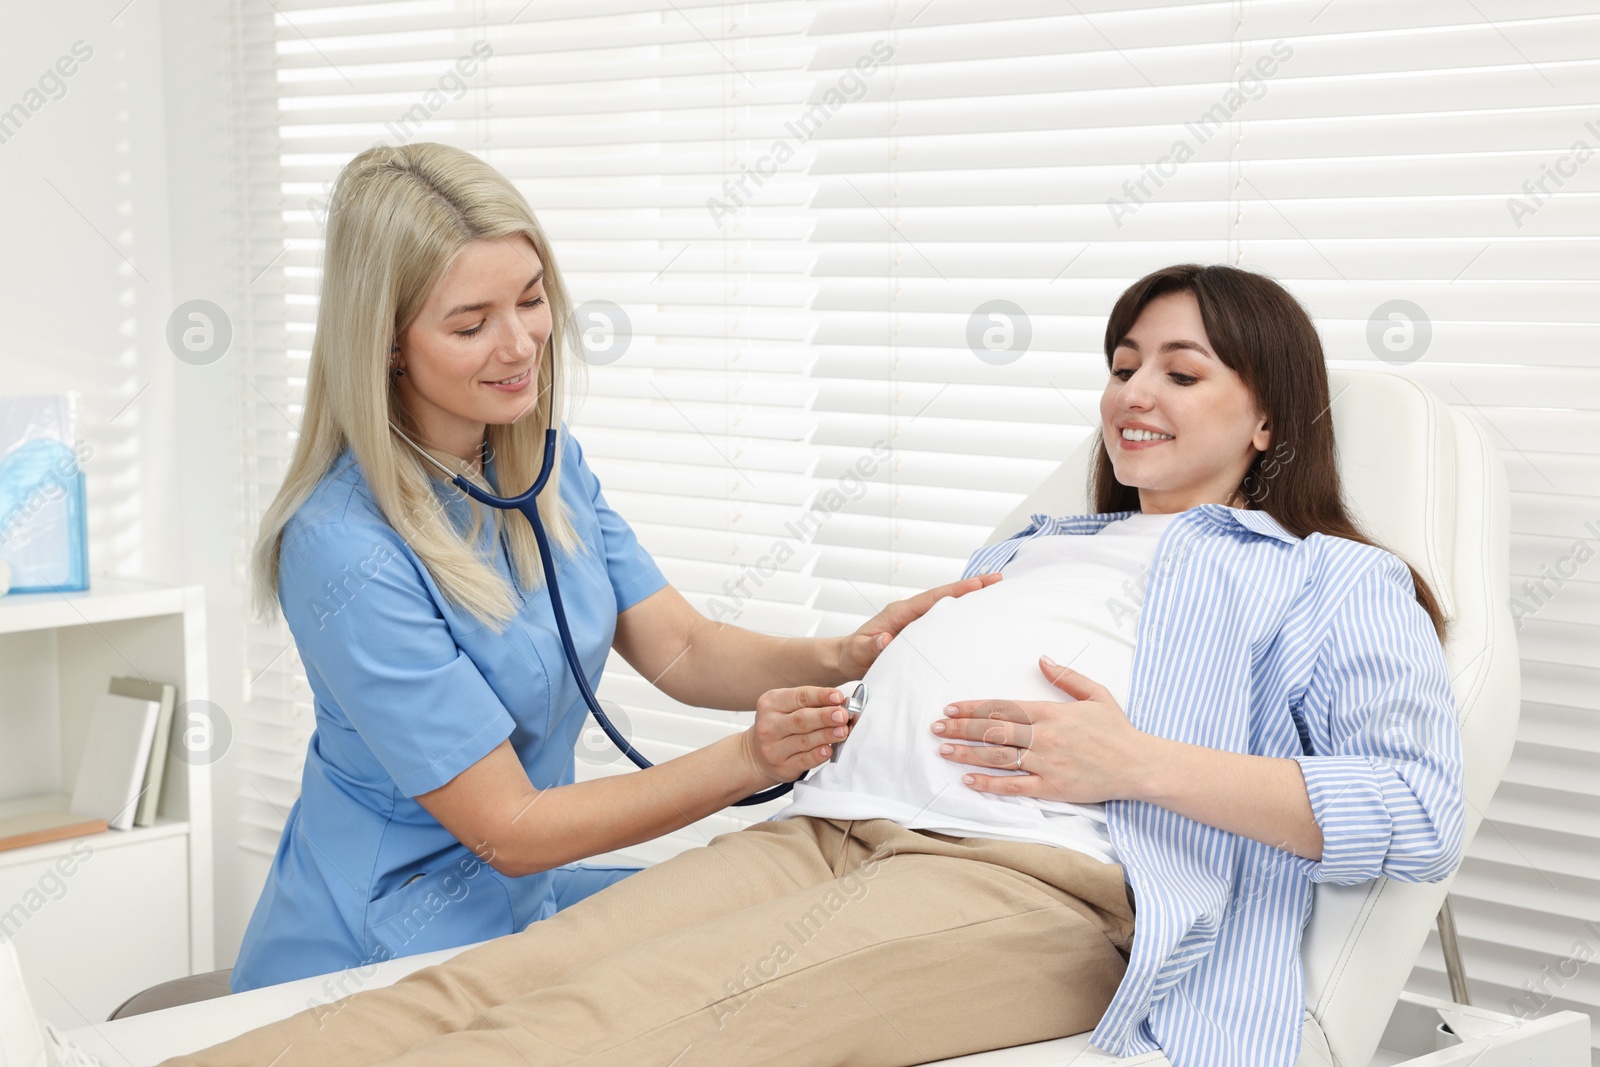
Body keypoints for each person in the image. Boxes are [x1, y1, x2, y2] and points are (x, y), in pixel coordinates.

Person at [3, 263, 1459, 1067]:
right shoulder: (1043, 541)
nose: (1134, 389)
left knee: (597, 1036)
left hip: (1033, 878)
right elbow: (703, 653)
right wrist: (856, 667)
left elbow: (1412, 807)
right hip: (819, 831)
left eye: (1182, 370)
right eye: (1124, 359)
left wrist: (1134, 761)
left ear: (1272, 417)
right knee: (487, 987)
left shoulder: (1333, 578)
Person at [227, 142, 999, 992]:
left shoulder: (543, 470)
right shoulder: (342, 546)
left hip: (524, 901)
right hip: (378, 943)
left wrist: (847, 654)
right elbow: (511, 826)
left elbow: (685, 649)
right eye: (471, 323)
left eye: (531, 300)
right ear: (388, 346)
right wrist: (751, 757)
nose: (520, 344)